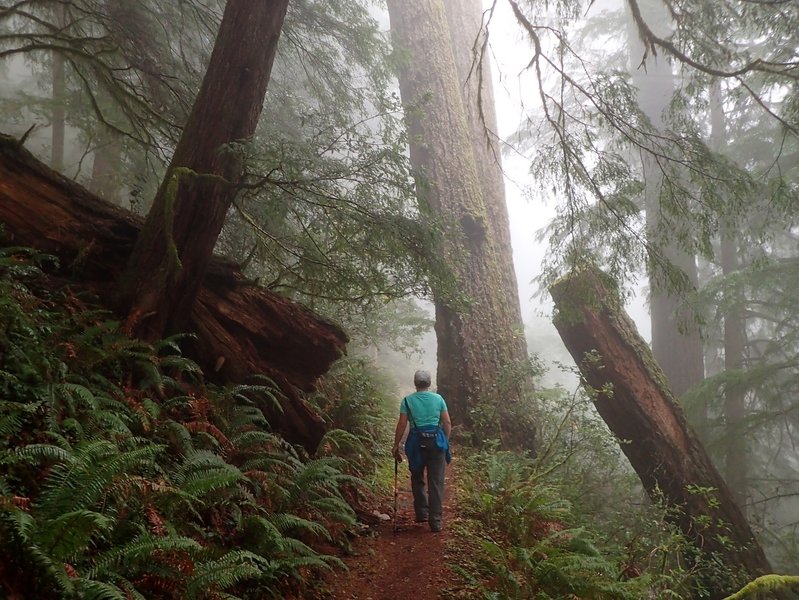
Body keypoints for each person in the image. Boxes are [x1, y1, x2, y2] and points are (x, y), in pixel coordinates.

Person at [391, 369, 452, 532]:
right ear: (429, 383)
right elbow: (447, 422)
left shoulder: (407, 401)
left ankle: (422, 513)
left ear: (415, 383)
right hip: (436, 444)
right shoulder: (438, 399)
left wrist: (396, 445)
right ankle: (436, 521)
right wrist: (445, 440)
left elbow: (402, 424)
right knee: (436, 482)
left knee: (417, 477)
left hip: (416, 443)